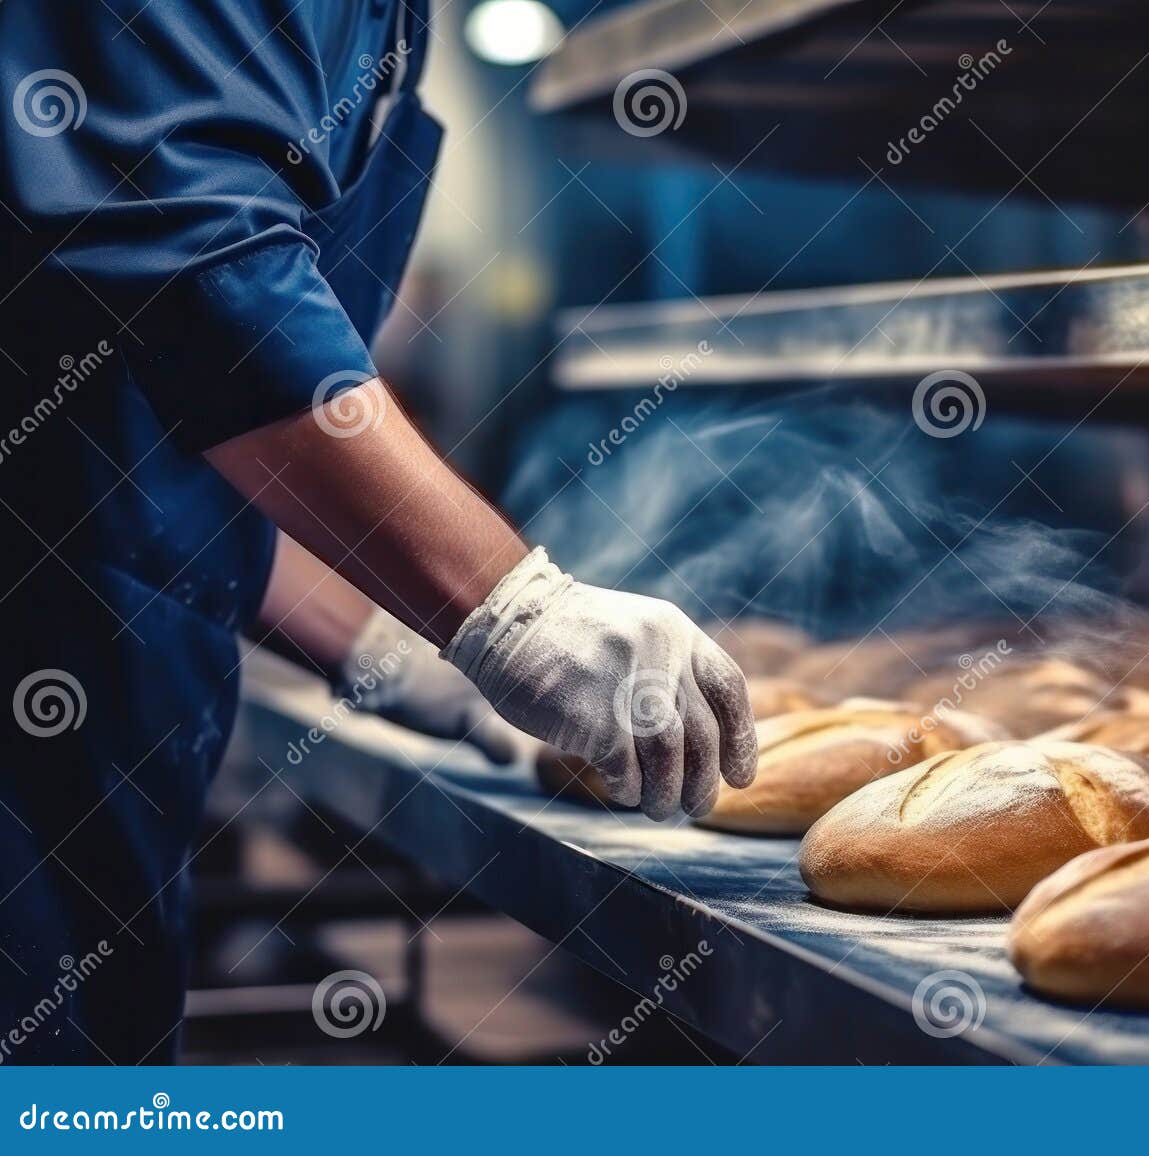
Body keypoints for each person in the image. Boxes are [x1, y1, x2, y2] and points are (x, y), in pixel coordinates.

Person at [0, 0, 756, 1063]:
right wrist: (509, 606)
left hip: (104, 726)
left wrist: (390, 650)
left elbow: (163, 451)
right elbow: (197, 277)